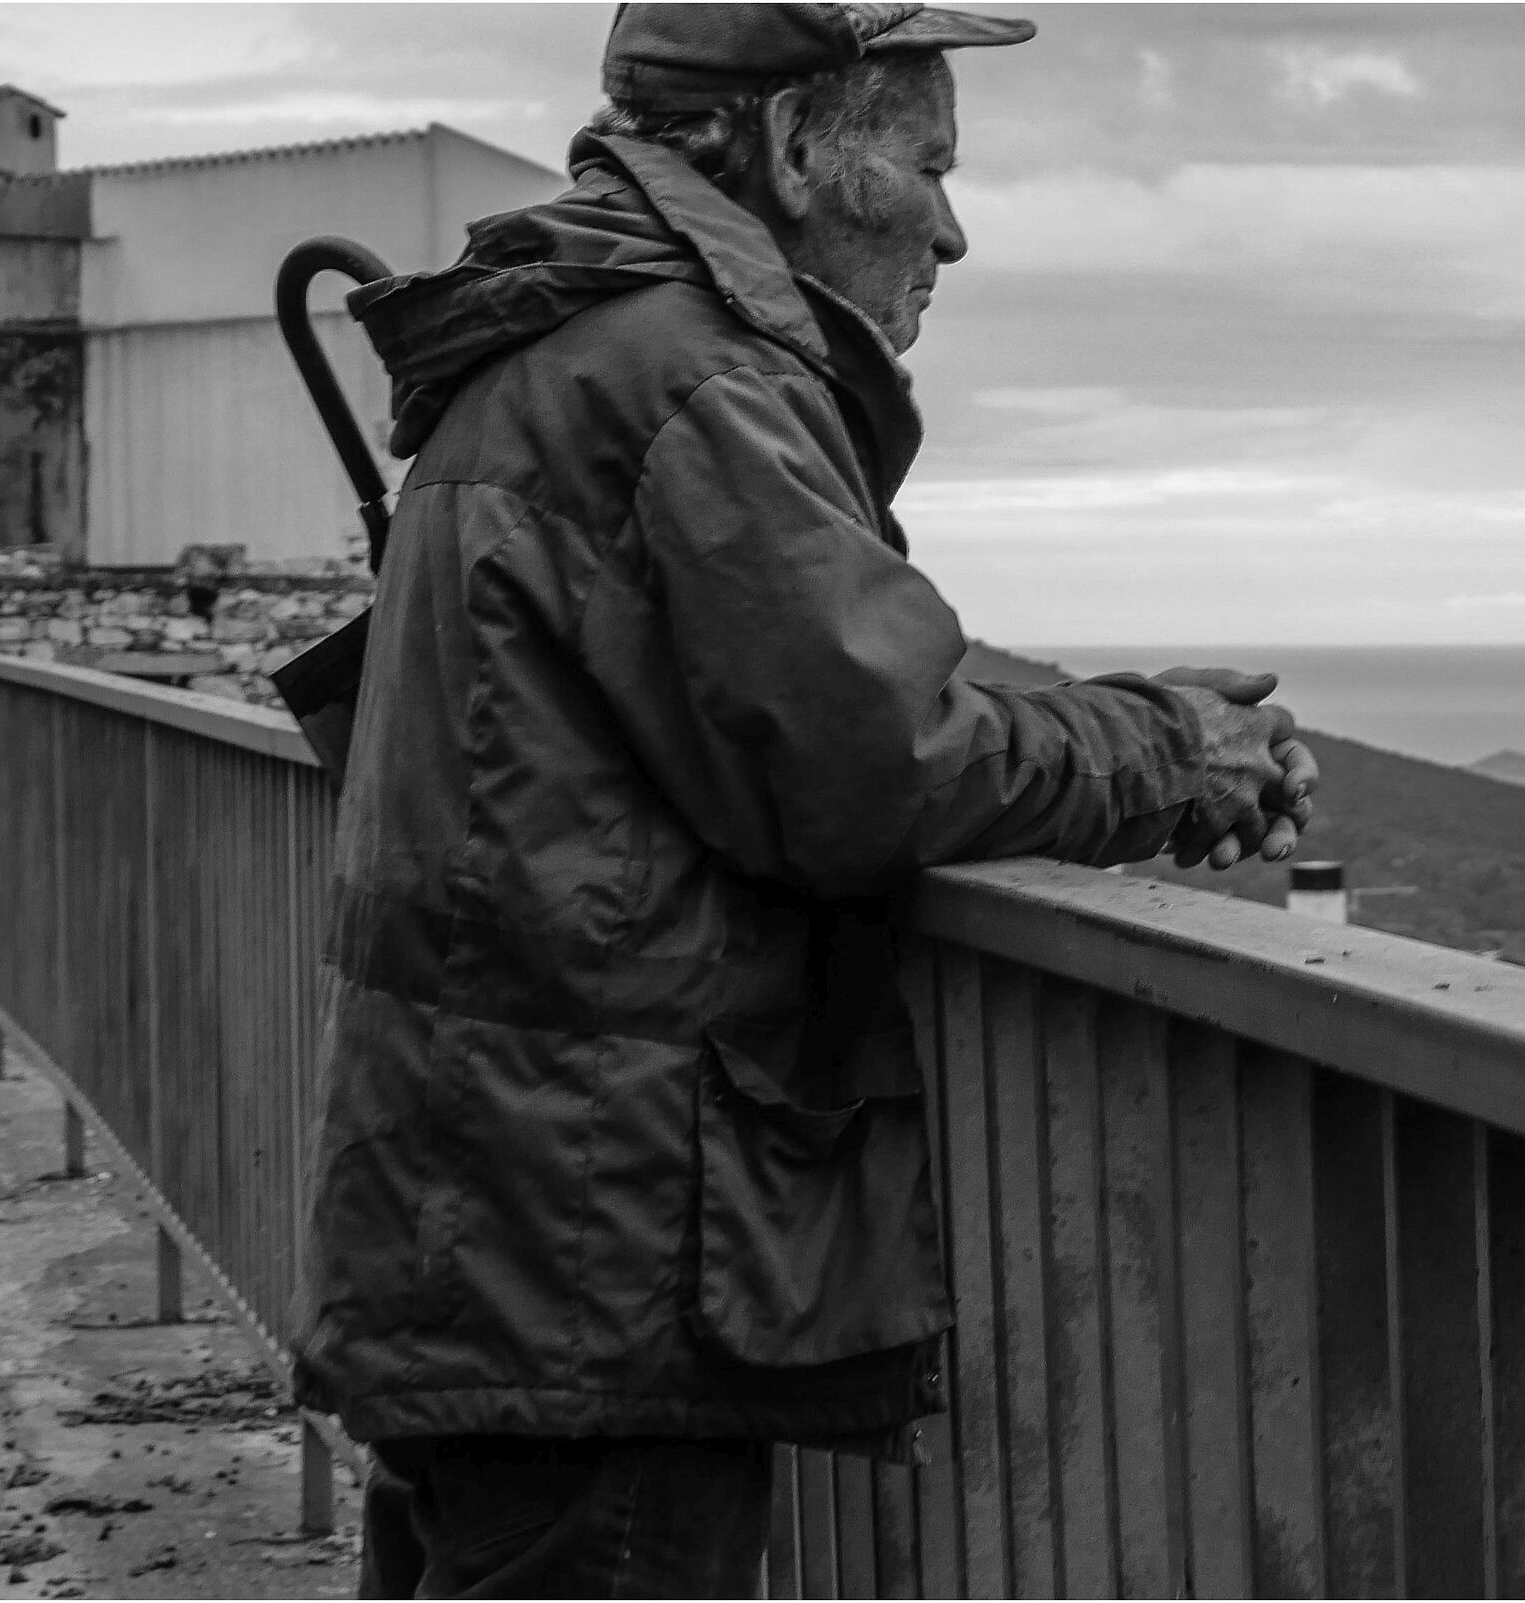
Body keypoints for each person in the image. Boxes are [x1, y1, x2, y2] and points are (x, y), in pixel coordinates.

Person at [289, 4, 1319, 1595]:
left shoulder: (557, 353)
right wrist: (1171, 752)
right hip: (598, 1246)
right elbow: (871, 761)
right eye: (927, 163)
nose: (953, 230)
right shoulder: (686, 378)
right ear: (789, 146)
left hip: (486, 1216)